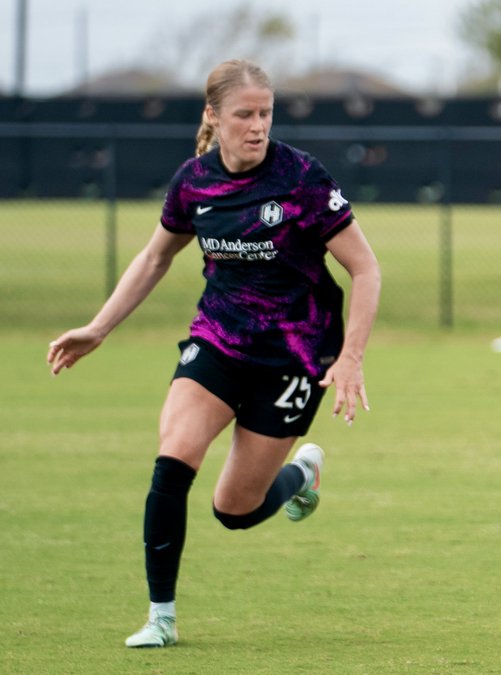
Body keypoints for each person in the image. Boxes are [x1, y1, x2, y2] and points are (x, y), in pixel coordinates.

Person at [46, 59, 381, 648]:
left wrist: (350, 357)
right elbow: (156, 257)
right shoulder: (194, 182)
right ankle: (161, 617)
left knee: (234, 510)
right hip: (220, 341)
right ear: (213, 116)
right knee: (173, 458)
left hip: (295, 356)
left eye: (266, 114)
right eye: (244, 114)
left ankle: (302, 473)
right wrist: (98, 328)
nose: (258, 126)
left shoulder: (301, 178)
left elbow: (365, 269)